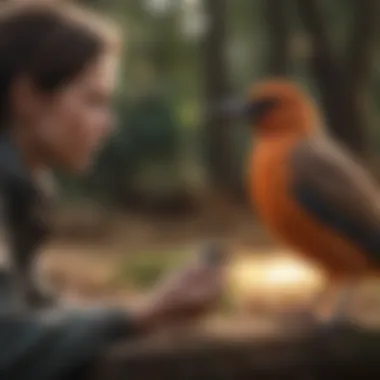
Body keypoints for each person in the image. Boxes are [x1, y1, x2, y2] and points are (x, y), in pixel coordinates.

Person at [0, 1, 223, 379]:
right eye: (94, 101)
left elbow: (38, 312)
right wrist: (139, 317)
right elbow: (8, 346)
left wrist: (151, 308)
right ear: (27, 98)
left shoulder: (21, 191)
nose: (109, 124)